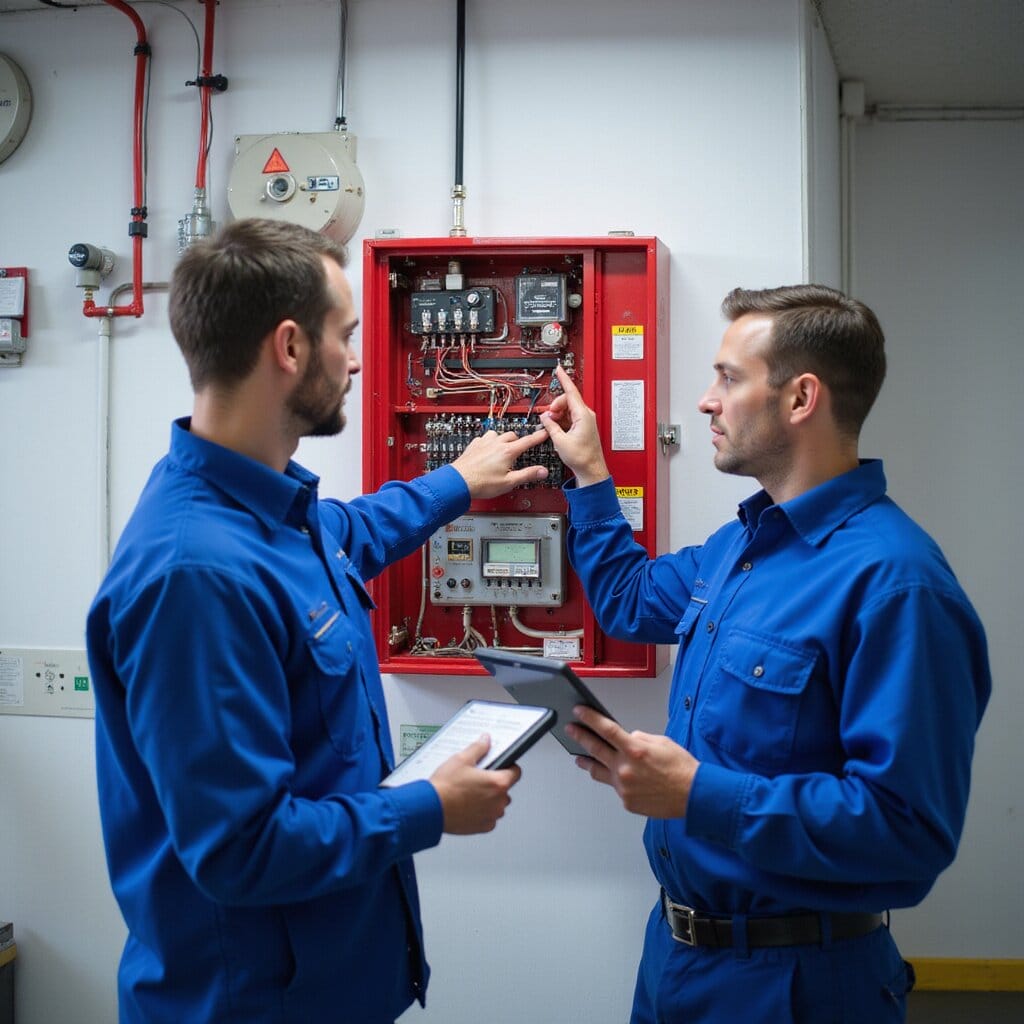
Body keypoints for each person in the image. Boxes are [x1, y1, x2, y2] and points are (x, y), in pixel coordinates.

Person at [86, 217, 551, 1024]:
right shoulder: (194, 574)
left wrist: (457, 483)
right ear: (291, 347)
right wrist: (431, 808)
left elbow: (347, 534)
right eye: (350, 334)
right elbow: (242, 850)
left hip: (326, 990)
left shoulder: (264, 511)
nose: (362, 358)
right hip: (249, 1006)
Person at [539, 284, 991, 1024]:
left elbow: (908, 834)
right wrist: (590, 474)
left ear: (801, 398)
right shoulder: (742, 547)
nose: (707, 401)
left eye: (728, 377)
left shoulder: (896, 584)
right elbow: (629, 600)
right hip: (675, 962)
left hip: (798, 985)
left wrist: (696, 794)